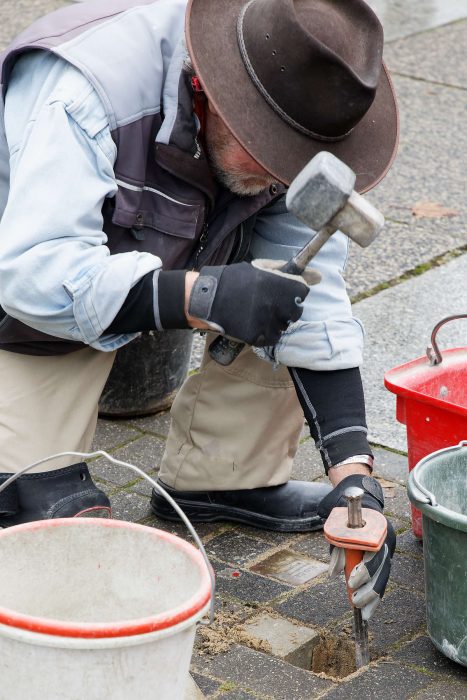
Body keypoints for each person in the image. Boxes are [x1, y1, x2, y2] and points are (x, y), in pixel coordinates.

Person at [0, 0, 398, 619]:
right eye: (266, 149)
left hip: (148, 257)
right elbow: (33, 272)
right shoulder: (84, 89)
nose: (280, 177)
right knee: (48, 508)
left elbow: (315, 298)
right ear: (208, 89)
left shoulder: (298, 111)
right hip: (27, 289)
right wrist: (203, 295)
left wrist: (355, 474)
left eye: (294, 158)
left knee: (279, 290)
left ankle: (222, 473)